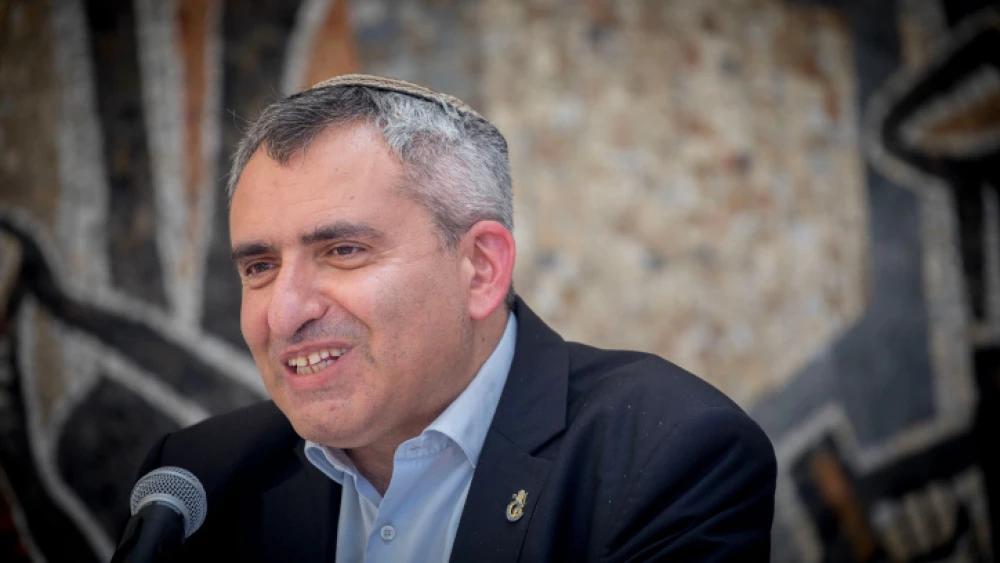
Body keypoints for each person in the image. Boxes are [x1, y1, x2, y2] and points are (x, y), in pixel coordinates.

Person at [124, 74, 777, 562]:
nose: (286, 311)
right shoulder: (198, 480)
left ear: (482, 269)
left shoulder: (666, 455)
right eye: (259, 266)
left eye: (343, 251)